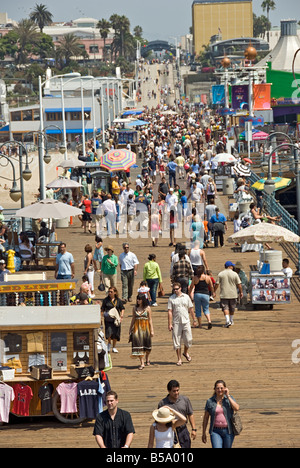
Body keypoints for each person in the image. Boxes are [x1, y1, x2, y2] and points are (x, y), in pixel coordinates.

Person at [158, 380, 197, 448]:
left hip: (183, 430)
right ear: (169, 391)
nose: (176, 393)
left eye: (177, 390)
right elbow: (159, 419)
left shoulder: (185, 400)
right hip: (169, 431)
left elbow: (190, 414)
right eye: (174, 391)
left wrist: (193, 429)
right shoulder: (162, 403)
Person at [202, 379, 240, 449]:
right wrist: (203, 432)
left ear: (225, 388)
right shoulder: (210, 401)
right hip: (215, 431)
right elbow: (206, 418)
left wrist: (228, 396)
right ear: (215, 389)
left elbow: (236, 408)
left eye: (221, 388)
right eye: (218, 388)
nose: (220, 390)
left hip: (228, 430)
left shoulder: (229, 399)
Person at [167, 282, 197, 366]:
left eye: (177, 289)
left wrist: (194, 319)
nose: (175, 290)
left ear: (180, 288)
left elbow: (191, 308)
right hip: (176, 322)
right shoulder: (171, 298)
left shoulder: (186, 297)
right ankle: (179, 359)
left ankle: (185, 352)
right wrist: (169, 324)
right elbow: (170, 311)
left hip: (186, 321)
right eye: (174, 289)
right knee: (177, 342)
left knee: (188, 339)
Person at [129, 294, 154, 370]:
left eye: (139, 299)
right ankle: (142, 362)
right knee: (138, 345)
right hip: (137, 329)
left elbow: (150, 319)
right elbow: (133, 318)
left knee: (147, 345)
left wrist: (152, 330)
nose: (138, 301)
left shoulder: (148, 308)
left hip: (145, 328)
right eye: (137, 299)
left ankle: (147, 358)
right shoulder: (135, 308)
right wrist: (130, 328)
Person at [214, 261, 243, 328]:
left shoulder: (221, 274)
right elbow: (239, 284)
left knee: (225, 307)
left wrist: (214, 291)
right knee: (232, 308)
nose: (233, 267)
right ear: (229, 266)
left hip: (224, 294)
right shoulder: (235, 274)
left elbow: (217, 284)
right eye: (232, 266)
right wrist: (241, 292)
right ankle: (231, 320)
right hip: (233, 294)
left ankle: (227, 320)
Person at [101, 287, 125, 353]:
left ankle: (114, 347)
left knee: (115, 333)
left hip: (116, 319)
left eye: (111, 292)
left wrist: (121, 316)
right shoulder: (105, 300)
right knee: (108, 333)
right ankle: (109, 343)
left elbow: (122, 308)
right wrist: (102, 316)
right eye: (109, 291)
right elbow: (102, 308)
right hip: (108, 319)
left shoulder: (118, 300)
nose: (109, 293)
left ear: (115, 292)